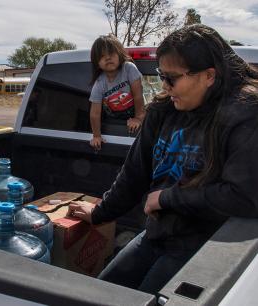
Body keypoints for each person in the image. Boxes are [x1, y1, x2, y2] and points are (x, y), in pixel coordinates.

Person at [69, 24, 258, 295]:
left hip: (203, 247)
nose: (165, 87)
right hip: (156, 234)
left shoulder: (244, 114)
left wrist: (167, 198)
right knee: (99, 294)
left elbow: (243, 196)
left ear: (208, 75)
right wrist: (99, 213)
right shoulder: (164, 110)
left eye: (172, 78)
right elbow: (134, 173)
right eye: (161, 76)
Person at [89, 34, 146, 150]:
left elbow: (138, 96)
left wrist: (139, 118)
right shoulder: (99, 83)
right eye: (102, 56)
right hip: (115, 119)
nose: (108, 58)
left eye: (111, 54)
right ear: (97, 62)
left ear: (119, 54)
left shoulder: (128, 68)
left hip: (133, 111)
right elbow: (95, 113)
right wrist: (96, 135)